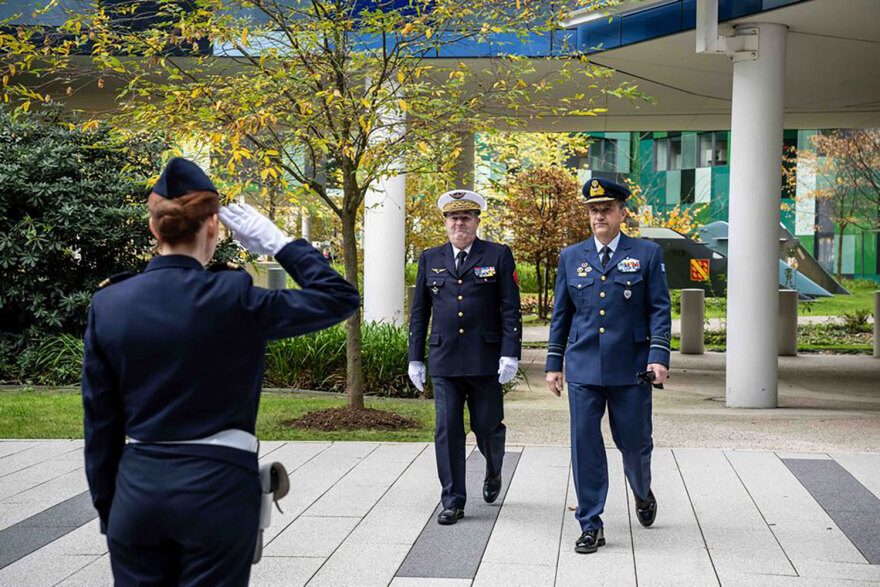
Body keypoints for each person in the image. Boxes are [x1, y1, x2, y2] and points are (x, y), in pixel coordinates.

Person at [82, 157, 360, 585]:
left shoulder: (110, 303)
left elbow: (100, 424)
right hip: (217, 488)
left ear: (155, 228)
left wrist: (111, 510)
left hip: (138, 492)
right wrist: (280, 243)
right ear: (213, 226)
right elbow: (338, 297)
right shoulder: (234, 298)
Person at [545, 178, 671, 554]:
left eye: (606, 209)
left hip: (630, 368)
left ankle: (642, 491)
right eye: (593, 210)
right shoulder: (571, 257)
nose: (599, 215)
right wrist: (555, 362)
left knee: (634, 445)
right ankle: (590, 523)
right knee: (585, 446)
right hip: (583, 366)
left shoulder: (646, 253)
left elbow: (659, 309)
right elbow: (560, 315)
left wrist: (659, 356)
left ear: (621, 212)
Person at [408, 189, 522, 525]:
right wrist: (416, 357)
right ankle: (453, 500)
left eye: (466, 217)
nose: (460, 223)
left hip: (485, 359)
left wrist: (510, 353)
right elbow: (419, 312)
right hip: (444, 359)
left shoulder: (498, 255)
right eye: (453, 218)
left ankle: (493, 466)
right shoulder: (430, 258)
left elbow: (510, 308)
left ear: (476, 221)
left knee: (486, 426)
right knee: (447, 429)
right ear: (445, 223)